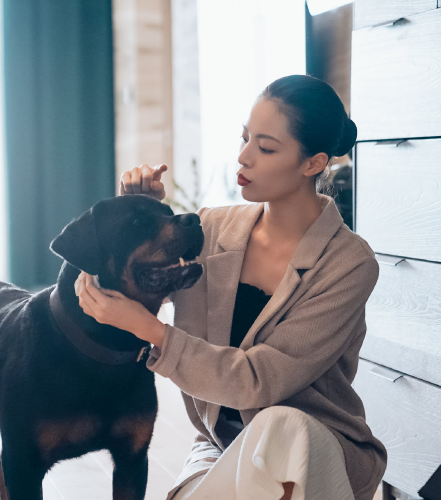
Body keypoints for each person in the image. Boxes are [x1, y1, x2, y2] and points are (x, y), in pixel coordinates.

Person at [74, 74, 386, 500]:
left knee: (280, 423)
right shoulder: (212, 228)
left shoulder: (349, 264)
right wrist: (137, 218)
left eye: (266, 147)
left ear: (313, 162)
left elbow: (259, 381)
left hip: (313, 448)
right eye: (244, 138)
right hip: (221, 446)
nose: (243, 156)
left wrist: (152, 332)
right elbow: (99, 290)